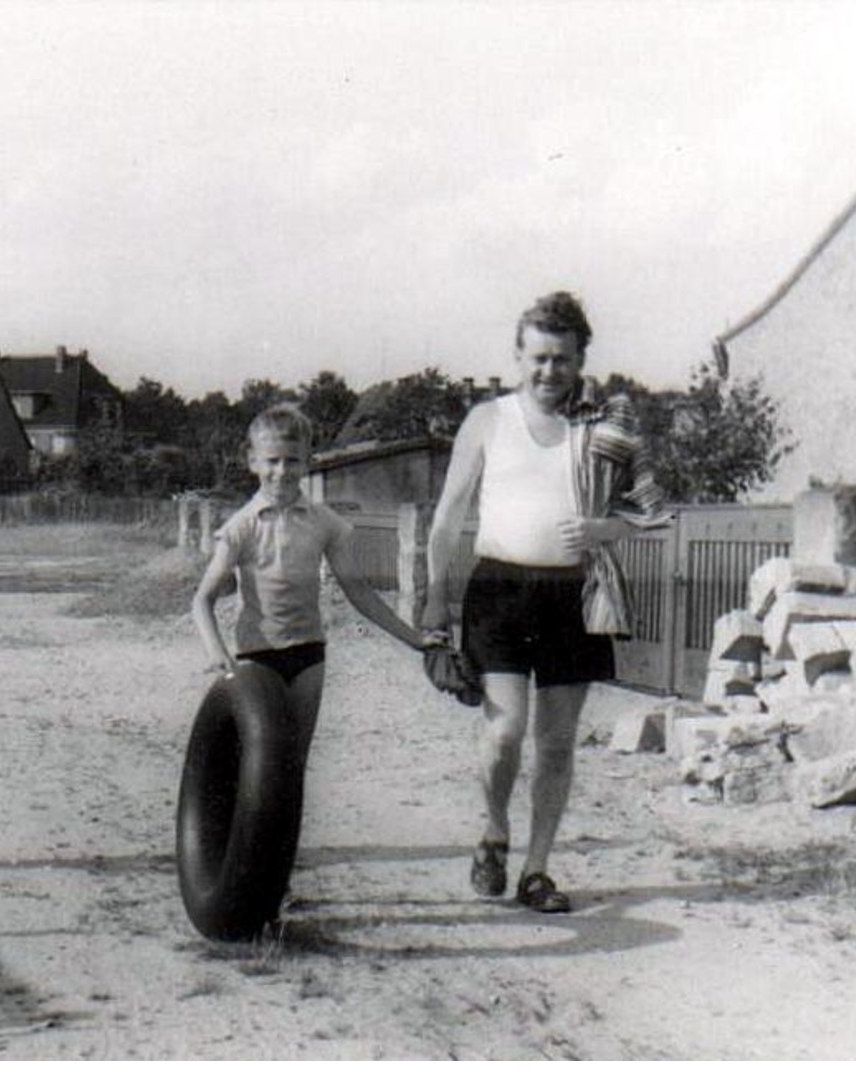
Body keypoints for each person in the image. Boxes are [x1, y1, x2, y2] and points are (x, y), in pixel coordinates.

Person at [420, 291, 667, 912]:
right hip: (498, 590)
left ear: (581, 357)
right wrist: (434, 602)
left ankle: (536, 870)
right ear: (518, 356)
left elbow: (650, 508)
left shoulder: (603, 427)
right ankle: (494, 831)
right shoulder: (488, 420)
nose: (548, 372)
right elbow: (448, 519)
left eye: (561, 359)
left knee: (556, 744)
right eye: (537, 358)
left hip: (572, 596)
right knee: (505, 733)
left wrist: (602, 530)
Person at [192, 404, 425, 769]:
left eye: (292, 461)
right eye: (272, 460)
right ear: (252, 460)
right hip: (256, 655)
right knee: (257, 762)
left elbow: (359, 591)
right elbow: (202, 600)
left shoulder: (323, 522)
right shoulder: (241, 527)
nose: (282, 471)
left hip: (308, 656)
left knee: (293, 763)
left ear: (307, 462)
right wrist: (216, 652)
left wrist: (415, 639)